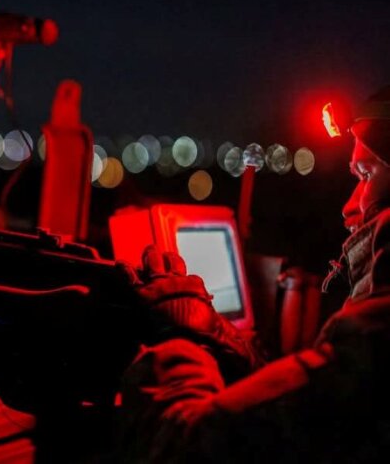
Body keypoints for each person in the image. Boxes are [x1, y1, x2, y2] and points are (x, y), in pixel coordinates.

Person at [118, 86, 390, 462]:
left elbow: (186, 446)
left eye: (365, 174)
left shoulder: (376, 341)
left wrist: (174, 348)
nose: (346, 208)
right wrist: (219, 335)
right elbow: (292, 413)